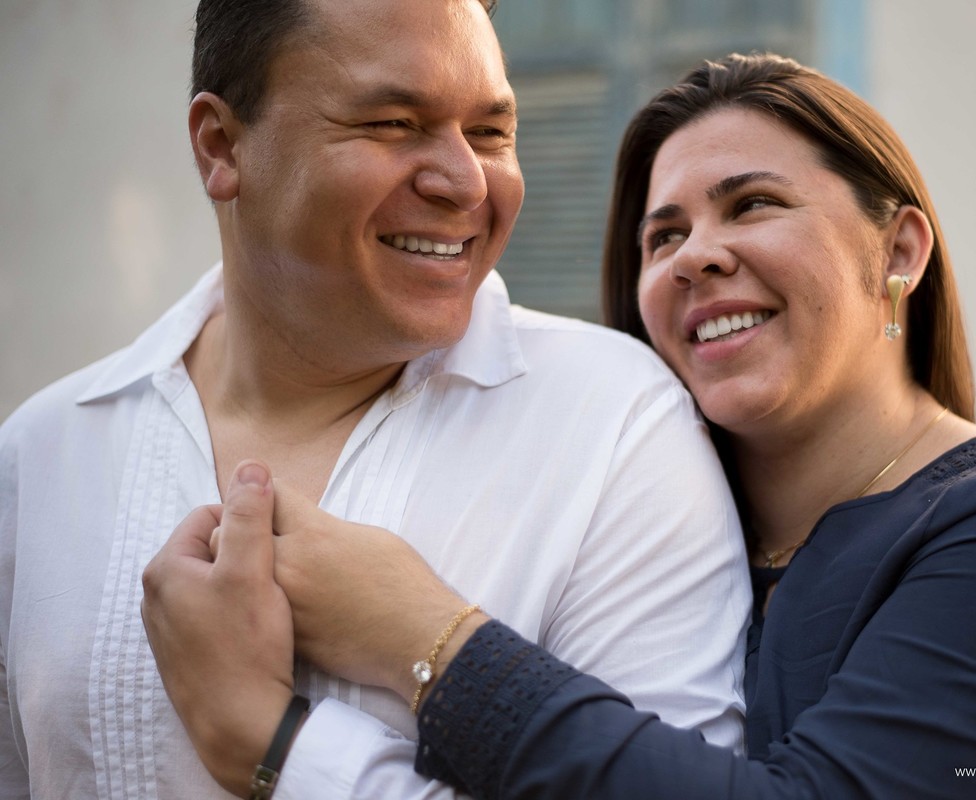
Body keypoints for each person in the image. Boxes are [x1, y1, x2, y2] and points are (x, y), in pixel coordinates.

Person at [144, 52, 976, 798]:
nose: (696, 256)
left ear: (900, 251)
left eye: (754, 203)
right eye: (663, 234)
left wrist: (417, 643)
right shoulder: (643, 533)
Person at [0, 1, 755, 797]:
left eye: (491, 132)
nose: (466, 182)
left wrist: (279, 747)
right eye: (394, 123)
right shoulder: (42, 457)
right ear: (221, 145)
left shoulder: (616, 427)